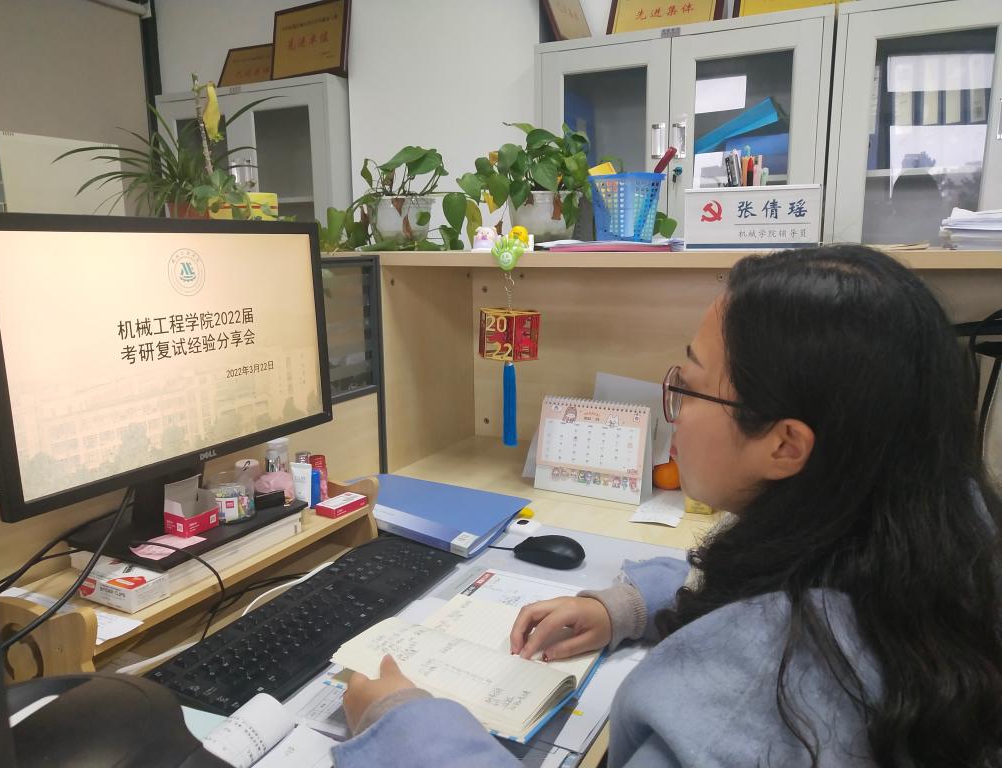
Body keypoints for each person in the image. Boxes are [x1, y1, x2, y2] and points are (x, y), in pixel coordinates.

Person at [332, 245, 1002, 767]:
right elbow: (757, 581)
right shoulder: (936, 537)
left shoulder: (761, 700)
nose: (672, 405)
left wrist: (402, 724)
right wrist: (626, 606)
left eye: (692, 384)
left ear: (786, 444)